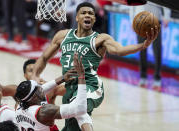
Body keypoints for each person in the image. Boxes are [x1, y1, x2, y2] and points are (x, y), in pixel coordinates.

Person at [32, 2, 159, 131]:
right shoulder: (63, 36)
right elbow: (44, 58)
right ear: (77, 17)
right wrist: (35, 75)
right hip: (70, 88)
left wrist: (143, 45)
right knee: (72, 126)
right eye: (84, 13)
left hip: (90, 87)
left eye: (91, 13)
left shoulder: (100, 39)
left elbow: (120, 50)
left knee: (77, 110)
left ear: (94, 19)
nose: (87, 15)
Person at [0, 57, 64, 130]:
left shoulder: (50, 89)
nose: (34, 74)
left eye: (37, 71)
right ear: (25, 75)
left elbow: (70, 90)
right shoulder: (16, 90)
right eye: (30, 71)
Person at [15, 53, 93, 131]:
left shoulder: (20, 105)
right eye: (37, 88)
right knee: (82, 114)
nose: (41, 87)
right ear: (34, 96)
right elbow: (80, 108)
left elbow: (41, 89)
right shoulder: (44, 112)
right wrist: (81, 76)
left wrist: (62, 78)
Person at [129, 1, 171, 89]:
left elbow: (167, 2)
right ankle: (143, 77)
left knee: (157, 50)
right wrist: (131, 19)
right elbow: (131, 4)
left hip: (155, 18)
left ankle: (157, 78)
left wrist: (166, 16)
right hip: (140, 20)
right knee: (142, 50)